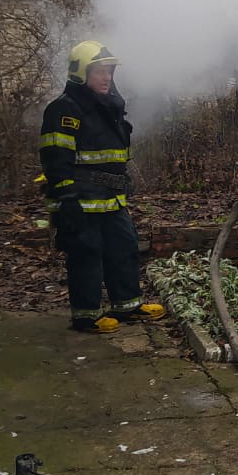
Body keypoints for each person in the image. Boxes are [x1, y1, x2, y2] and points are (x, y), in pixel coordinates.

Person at [39, 41, 165, 333]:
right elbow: (55, 156)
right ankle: (86, 316)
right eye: (99, 71)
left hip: (110, 197)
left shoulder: (109, 107)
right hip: (78, 199)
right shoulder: (64, 109)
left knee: (124, 246)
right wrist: (66, 195)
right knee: (86, 253)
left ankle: (127, 305)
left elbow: (112, 154)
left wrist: (122, 179)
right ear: (81, 73)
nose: (106, 77)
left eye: (109, 71)